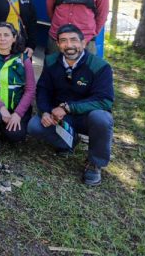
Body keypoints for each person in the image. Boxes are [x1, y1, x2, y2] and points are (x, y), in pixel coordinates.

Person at [27, 24, 114, 186]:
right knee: (34, 125)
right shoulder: (52, 61)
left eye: (74, 40)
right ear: (58, 45)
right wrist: (45, 112)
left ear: (83, 43)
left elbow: (105, 100)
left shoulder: (100, 67)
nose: (69, 45)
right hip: (60, 117)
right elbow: (43, 90)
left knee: (102, 118)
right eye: (63, 41)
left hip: (87, 118)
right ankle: (69, 142)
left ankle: (95, 163)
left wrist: (69, 107)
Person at [0, 22, 35, 146]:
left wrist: (18, 114)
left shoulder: (23, 59)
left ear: (14, 38)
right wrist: (1, 107)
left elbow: (30, 90)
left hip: (17, 105)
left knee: (15, 136)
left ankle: (6, 127)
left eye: (6, 35)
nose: (2, 38)